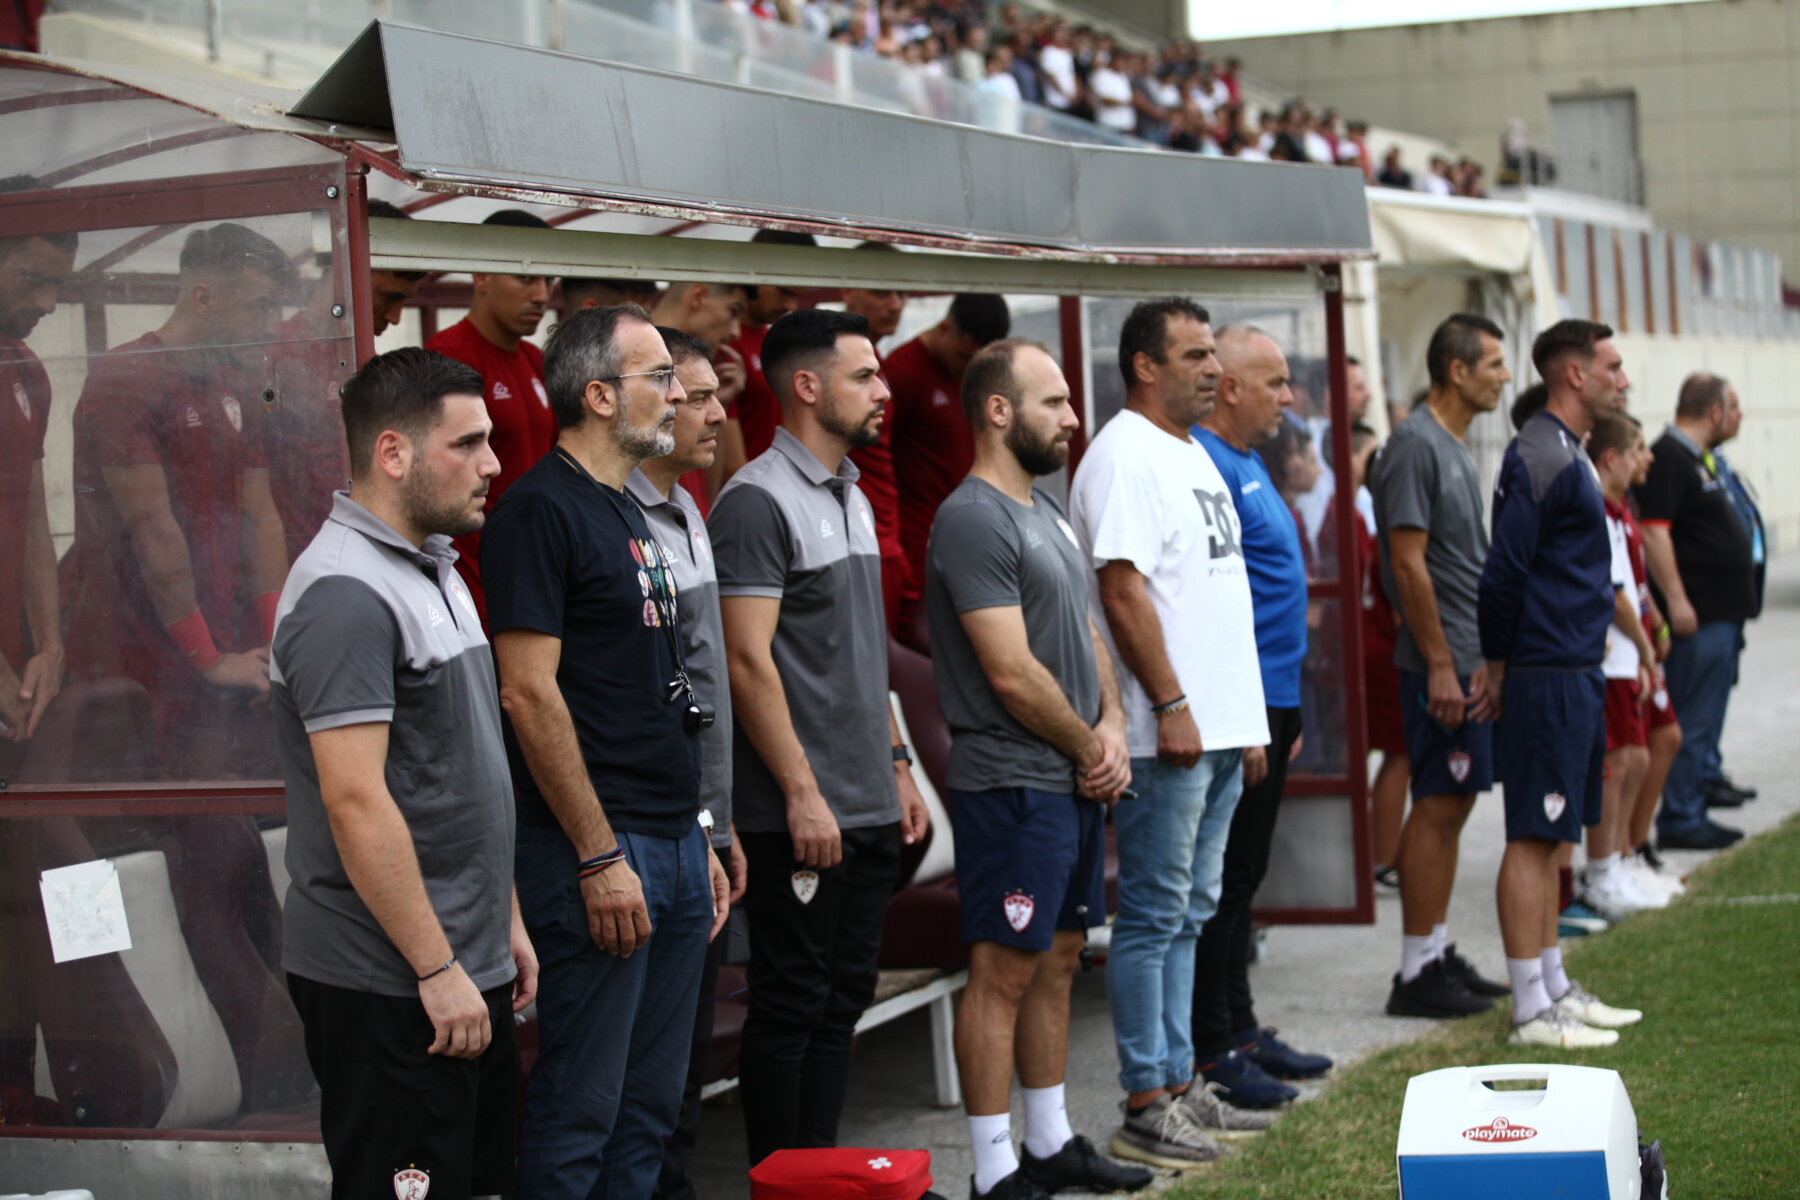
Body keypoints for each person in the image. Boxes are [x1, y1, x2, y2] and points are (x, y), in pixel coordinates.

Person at [270, 347, 534, 1200]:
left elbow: (466, 770)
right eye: (468, 444)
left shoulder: (434, 566)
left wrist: (503, 923)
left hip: (462, 960)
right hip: (391, 979)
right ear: (392, 453)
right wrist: (434, 968)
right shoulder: (344, 594)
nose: (492, 465)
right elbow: (355, 801)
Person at [485, 305, 729, 1198]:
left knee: (650, 1110)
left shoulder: (629, 505)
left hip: (670, 839)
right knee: (581, 1109)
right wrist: (596, 853)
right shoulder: (537, 512)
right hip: (598, 849)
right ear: (597, 395)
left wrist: (698, 833)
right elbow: (527, 691)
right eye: (659, 378)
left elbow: (660, 690)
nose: (678, 396)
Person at [924, 339, 1150, 1200]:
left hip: (1070, 778)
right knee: (1004, 972)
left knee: (1058, 958)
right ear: (998, 410)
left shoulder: (1046, 509)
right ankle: (993, 1170)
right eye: (1053, 402)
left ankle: (1049, 1144)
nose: (1072, 417)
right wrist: (1091, 748)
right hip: (1012, 782)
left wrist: (1114, 723)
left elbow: (1086, 630)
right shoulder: (972, 518)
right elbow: (1010, 672)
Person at [710, 308, 930, 1167]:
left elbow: (863, 652)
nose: (883, 391)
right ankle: (785, 1182)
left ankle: (825, 1175)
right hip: (799, 813)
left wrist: (899, 763)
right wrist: (801, 792)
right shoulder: (755, 501)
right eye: (864, 375)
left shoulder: (852, 492)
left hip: (866, 799)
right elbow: (745, 660)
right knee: (793, 1003)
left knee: (841, 1004)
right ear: (807, 386)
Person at [1070, 298, 1270, 1169]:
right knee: (1154, 915)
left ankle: (1182, 1081)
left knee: (1192, 910)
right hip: (1168, 735)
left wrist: (1242, 721)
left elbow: (1211, 595)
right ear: (1145, 366)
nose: (1213, 369)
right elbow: (1120, 591)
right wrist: (1173, 703)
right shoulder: (1123, 454)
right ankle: (1147, 1098)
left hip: (1215, 729)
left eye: (1213, 353)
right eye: (1194, 355)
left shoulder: (1189, 452)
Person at [63, 221, 292, 777]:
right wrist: (206, 658)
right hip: (137, 645)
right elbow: (151, 528)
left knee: (224, 794)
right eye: (261, 307)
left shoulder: (236, 382)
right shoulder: (127, 376)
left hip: (220, 639)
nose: (272, 326)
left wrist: (275, 638)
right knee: (155, 800)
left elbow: (259, 515)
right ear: (204, 297)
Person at [1479, 319, 1643, 1048]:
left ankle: (1553, 984)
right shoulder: (1539, 452)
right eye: (1613, 366)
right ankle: (1529, 1010)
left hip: (1574, 670)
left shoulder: (1568, 450)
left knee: (1554, 838)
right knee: (1533, 833)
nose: (1623, 380)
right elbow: (1504, 572)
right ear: (1574, 374)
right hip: (1545, 672)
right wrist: (1500, 662)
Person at [1191, 325, 1334, 1107]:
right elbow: (1214, 601)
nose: (1289, 397)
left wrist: (1287, 707)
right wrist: (1249, 711)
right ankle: (1214, 1044)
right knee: (1225, 877)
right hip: (1239, 705)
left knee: (1246, 874)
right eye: (1275, 382)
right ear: (1232, 388)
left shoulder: (1249, 461)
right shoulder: (1208, 463)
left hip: (1272, 699)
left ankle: (1242, 1028)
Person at [1370, 313, 1513, 1019]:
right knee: (1437, 802)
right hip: (1440, 664)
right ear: (1456, 371)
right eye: (1494, 364)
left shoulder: (1451, 444)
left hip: (1463, 656)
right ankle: (1416, 972)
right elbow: (1406, 564)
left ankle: (1434, 948)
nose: (1505, 376)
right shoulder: (1413, 445)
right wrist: (1440, 664)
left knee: (1453, 805)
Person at [632, 329, 747, 1200]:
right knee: (645, 1071)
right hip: (651, 832)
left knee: (683, 1065)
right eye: (694, 395)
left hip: (701, 823)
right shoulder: (617, 519)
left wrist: (719, 820)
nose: (713, 413)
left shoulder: (689, 510)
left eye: (713, 395)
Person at [267, 198, 427, 562]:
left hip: (361, 552)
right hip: (300, 558)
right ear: (345, 271)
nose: (396, 317)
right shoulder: (278, 355)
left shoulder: (365, 360)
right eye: (389, 296)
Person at [1635, 373, 1756, 850]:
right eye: (1734, 406)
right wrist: (1677, 598)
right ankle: (1682, 815)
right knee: (1690, 719)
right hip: (1698, 617)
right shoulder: (1670, 458)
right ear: (1714, 411)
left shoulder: (1698, 458)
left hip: (1720, 614)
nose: (1740, 416)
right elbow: (1654, 532)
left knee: (1703, 717)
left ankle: (1695, 798)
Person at [424, 209, 558, 623]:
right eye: (526, 277)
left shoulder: (535, 360)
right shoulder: (448, 356)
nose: (542, 295)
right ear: (481, 275)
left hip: (538, 566)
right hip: (479, 577)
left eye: (549, 280)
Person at [1579, 413, 1667, 920]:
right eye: (1637, 450)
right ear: (1611, 458)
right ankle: (1603, 868)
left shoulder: (1620, 510)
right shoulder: (1600, 510)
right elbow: (1613, 593)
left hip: (1630, 654)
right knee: (1617, 764)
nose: (1644, 458)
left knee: (1635, 758)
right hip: (1614, 655)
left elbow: (1635, 583)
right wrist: (1645, 646)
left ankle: (1621, 858)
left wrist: (1651, 636)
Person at [888, 293, 1012, 637]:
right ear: (944, 327)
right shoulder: (902, 373)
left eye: (979, 360)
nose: (969, 367)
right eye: (964, 356)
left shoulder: (978, 377)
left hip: (970, 534)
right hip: (918, 542)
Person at [0, 174, 72, 749]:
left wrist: (50, 647)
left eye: (57, 284)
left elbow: (31, 521)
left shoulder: (26, 370)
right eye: (32, 280)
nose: (48, 303)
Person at [842, 243, 913, 629]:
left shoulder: (882, 364)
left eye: (902, 292)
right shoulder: (829, 367)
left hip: (887, 536)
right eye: (881, 291)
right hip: (856, 539)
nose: (896, 304)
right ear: (847, 290)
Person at [720, 229, 820, 479]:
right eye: (784, 292)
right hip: (751, 489)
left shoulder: (772, 341)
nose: (791, 306)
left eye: (799, 296)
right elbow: (731, 463)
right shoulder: (725, 344)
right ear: (755, 273)